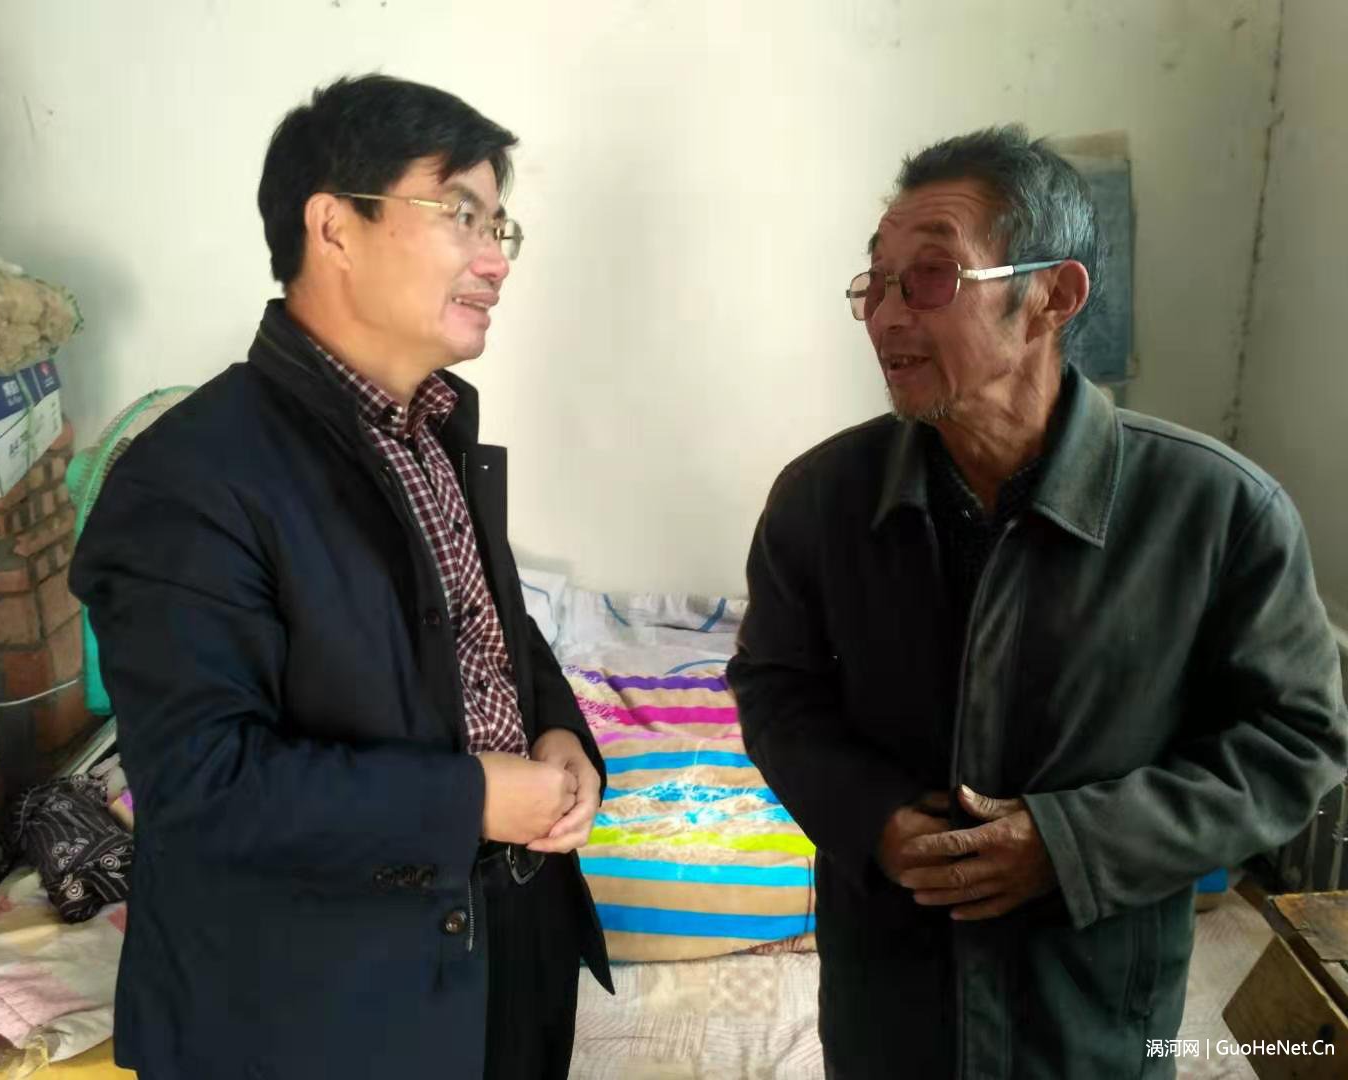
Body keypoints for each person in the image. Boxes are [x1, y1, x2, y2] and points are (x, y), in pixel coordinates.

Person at [726, 125, 1348, 1079]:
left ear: (1053, 297)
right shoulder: (820, 500)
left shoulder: (1216, 511)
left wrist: (1071, 846)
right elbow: (775, 688)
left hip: (1094, 1017)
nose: (885, 317)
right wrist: (874, 818)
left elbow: (1293, 741)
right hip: (890, 1009)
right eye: (875, 282)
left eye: (929, 278)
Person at [70, 75, 612, 1080]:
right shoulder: (191, 478)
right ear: (334, 227)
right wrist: (470, 801)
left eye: (501, 226)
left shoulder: (431, 427)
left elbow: (488, 628)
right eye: (461, 214)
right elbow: (204, 786)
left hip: (508, 949)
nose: (496, 259)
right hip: (329, 1012)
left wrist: (558, 733)